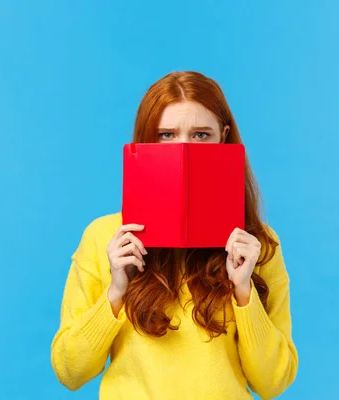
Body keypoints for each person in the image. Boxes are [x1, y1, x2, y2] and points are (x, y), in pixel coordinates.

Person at [50, 71, 298, 399]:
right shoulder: (105, 238)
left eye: (201, 134)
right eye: (166, 134)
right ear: (145, 142)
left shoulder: (257, 246)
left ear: (223, 138)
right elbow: (70, 371)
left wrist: (243, 290)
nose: (183, 150)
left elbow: (274, 383)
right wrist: (115, 292)